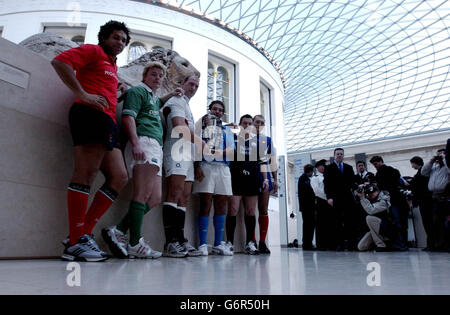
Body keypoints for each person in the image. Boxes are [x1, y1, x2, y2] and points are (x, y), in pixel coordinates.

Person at [52, 20, 131, 262]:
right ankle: (75, 242)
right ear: (105, 37)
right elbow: (59, 62)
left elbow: (102, 89)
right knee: (86, 173)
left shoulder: (112, 65)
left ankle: (81, 234)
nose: (120, 43)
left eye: (124, 40)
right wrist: (82, 94)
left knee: (119, 177)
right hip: (88, 115)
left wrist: (117, 95)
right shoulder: (93, 51)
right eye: (116, 37)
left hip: (107, 121)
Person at [101, 62, 183, 259]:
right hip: (144, 142)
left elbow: (157, 103)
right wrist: (136, 143)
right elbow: (129, 118)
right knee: (142, 192)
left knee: (154, 198)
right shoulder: (137, 91)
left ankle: (119, 230)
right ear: (144, 75)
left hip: (156, 146)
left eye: (160, 76)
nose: (157, 78)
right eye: (153, 74)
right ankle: (135, 242)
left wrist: (171, 94)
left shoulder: (153, 98)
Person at [161, 74, 205, 258]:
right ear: (182, 83)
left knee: (184, 197)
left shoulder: (187, 104)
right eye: (191, 84)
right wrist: (201, 142)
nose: (193, 88)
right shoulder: (176, 100)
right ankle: (170, 242)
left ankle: (180, 240)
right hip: (176, 151)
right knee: (175, 192)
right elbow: (179, 128)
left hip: (187, 154)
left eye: (196, 85)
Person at [193, 100, 235, 256]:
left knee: (221, 204)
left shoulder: (227, 131)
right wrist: (196, 166)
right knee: (205, 203)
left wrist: (217, 153)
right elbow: (197, 147)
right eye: (214, 109)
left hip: (223, 168)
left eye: (220, 110)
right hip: (206, 167)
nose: (217, 111)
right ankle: (203, 244)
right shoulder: (202, 127)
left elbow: (231, 150)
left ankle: (218, 244)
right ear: (209, 110)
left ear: (222, 114)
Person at [226, 115, 268, 255]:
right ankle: (229, 243)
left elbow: (263, 164)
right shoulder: (233, 138)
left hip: (252, 180)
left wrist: (266, 180)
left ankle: (250, 243)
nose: (247, 125)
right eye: (244, 123)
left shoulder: (258, 142)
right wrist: (229, 126)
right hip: (236, 179)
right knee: (233, 209)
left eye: (250, 123)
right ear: (240, 124)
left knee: (250, 211)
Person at [370, 156, 409, 249]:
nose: (375, 166)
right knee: (402, 223)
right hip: (399, 201)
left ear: (380, 162)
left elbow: (383, 188)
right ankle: (403, 243)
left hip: (393, 201)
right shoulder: (394, 171)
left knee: (396, 222)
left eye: (375, 164)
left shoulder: (380, 174)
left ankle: (400, 244)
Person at [253, 114, 279, 254]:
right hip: (249, 175)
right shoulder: (244, 138)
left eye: (262, 122)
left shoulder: (267, 140)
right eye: (257, 122)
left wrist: (275, 180)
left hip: (265, 176)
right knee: (249, 210)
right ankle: (252, 241)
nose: (259, 124)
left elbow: (272, 162)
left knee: (263, 209)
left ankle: (262, 242)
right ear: (252, 123)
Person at [323, 148, 358, 250]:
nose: (339, 155)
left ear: (343, 156)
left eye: (341, 154)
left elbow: (352, 183)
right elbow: (327, 184)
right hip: (335, 198)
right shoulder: (329, 168)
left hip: (348, 198)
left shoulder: (349, 167)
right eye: (337, 154)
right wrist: (329, 197)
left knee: (349, 221)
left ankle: (351, 244)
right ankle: (339, 244)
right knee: (337, 221)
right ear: (334, 156)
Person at [421, 148, 449, 251]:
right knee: (436, 222)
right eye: (438, 155)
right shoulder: (434, 166)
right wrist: (431, 161)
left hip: (445, 195)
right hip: (434, 196)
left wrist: (445, 159)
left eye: (441, 154)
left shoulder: (446, 166)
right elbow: (423, 172)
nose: (439, 157)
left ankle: (446, 244)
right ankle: (439, 244)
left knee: (446, 222)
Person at [356, 184, 392, 252]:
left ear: (377, 191)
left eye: (372, 193)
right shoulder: (370, 199)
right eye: (369, 193)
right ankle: (375, 244)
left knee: (369, 218)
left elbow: (371, 210)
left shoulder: (384, 200)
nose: (370, 195)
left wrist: (363, 198)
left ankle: (381, 245)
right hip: (376, 229)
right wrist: (360, 194)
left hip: (386, 228)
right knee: (361, 246)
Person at [409, 156, 433, 250]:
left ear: (415, 163)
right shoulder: (422, 172)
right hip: (425, 200)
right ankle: (431, 244)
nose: (411, 166)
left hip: (424, 200)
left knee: (427, 222)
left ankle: (431, 244)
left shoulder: (421, 173)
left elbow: (418, 186)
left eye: (412, 164)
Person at [310, 159, 335, 250]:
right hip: (322, 201)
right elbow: (317, 191)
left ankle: (331, 243)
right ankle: (322, 245)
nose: (324, 167)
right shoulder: (315, 178)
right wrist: (328, 197)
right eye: (322, 165)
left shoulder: (328, 176)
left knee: (330, 223)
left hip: (330, 201)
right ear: (318, 167)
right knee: (321, 223)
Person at [298, 164, 316, 250]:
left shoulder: (304, 179)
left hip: (307, 207)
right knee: (308, 225)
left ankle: (308, 243)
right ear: (310, 171)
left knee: (308, 225)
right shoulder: (304, 179)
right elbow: (307, 192)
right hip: (307, 207)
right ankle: (307, 244)